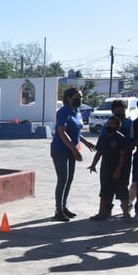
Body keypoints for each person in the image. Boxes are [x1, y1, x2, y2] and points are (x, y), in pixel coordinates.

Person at [51, 88, 96, 222]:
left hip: (71, 150)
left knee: (69, 179)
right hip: (60, 150)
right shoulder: (64, 111)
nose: (79, 99)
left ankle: (64, 207)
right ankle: (58, 210)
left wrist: (86, 142)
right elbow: (62, 132)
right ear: (69, 98)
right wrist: (74, 150)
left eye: (80, 97)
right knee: (62, 179)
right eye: (77, 97)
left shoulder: (76, 112)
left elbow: (75, 131)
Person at [88, 115, 132, 220]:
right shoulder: (103, 138)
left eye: (112, 124)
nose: (109, 126)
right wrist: (93, 165)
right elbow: (99, 152)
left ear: (117, 126)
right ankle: (101, 212)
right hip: (106, 169)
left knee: (122, 191)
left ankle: (126, 213)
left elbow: (122, 155)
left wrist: (118, 170)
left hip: (117, 169)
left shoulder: (121, 138)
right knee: (104, 191)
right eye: (108, 123)